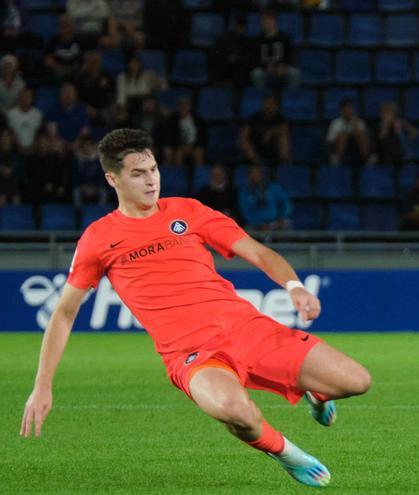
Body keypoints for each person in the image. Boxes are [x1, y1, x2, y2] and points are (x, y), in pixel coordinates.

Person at [20, 129, 371, 489]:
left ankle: (317, 393)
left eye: (153, 169)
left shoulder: (189, 211)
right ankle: (285, 452)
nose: (151, 180)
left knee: (358, 381)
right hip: (192, 355)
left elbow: (259, 252)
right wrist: (42, 386)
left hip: (248, 329)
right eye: (138, 174)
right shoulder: (98, 238)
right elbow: (63, 314)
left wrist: (294, 287)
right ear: (113, 179)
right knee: (236, 412)